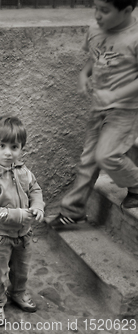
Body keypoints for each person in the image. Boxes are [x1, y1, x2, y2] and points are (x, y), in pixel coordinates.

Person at [52, 0, 138, 227]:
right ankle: (73, 210)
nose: (97, 15)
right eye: (96, 8)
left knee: (106, 156)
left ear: (127, 11)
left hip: (125, 111)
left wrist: (115, 95)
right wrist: (83, 75)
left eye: (105, 10)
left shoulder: (135, 38)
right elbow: (94, 58)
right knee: (87, 160)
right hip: (98, 108)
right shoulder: (95, 31)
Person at [0, 116, 45, 324]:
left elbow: (35, 189)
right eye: (2, 145)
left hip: (23, 234)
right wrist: (19, 214)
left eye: (14, 146)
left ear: (21, 148)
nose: (8, 152)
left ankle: (18, 292)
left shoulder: (23, 171)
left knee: (21, 268)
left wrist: (38, 205)